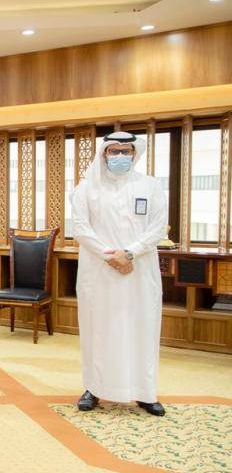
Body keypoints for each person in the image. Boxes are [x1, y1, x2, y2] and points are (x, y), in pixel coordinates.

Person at [72, 131, 167, 416]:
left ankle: (145, 392)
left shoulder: (150, 186)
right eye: (114, 151)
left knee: (142, 328)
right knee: (98, 329)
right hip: (99, 271)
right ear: (104, 154)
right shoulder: (86, 188)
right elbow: (81, 228)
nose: (121, 156)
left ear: (135, 154)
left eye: (126, 151)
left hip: (139, 270)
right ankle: (93, 388)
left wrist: (130, 253)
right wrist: (110, 256)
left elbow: (158, 227)